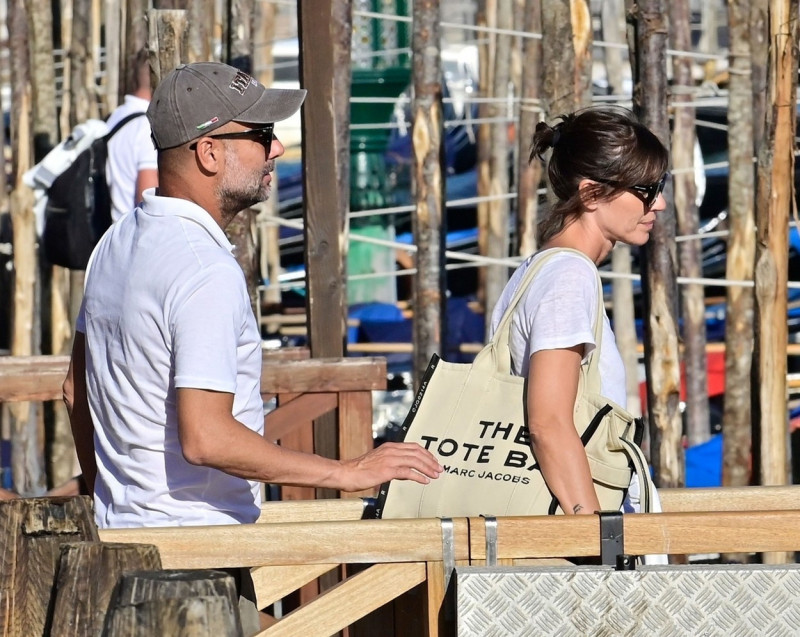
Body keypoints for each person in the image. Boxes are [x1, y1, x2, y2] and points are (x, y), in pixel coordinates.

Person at [62, 61, 442, 631]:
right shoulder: (203, 269)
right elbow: (206, 436)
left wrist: (108, 498)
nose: (278, 149)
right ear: (209, 153)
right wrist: (348, 471)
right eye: (261, 136)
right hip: (196, 561)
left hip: (123, 552)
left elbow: (74, 391)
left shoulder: (116, 242)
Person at [489, 106, 668, 518]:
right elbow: (548, 422)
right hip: (571, 522)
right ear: (590, 194)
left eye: (661, 185)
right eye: (645, 189)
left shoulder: (544, 267)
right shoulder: (569, 276)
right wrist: (597, 536)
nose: (658, 204)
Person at [105, 48, 158, 222]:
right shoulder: (147, 127)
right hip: (131, 237)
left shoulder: (116, 117)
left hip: (109, 232)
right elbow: (148, 203)